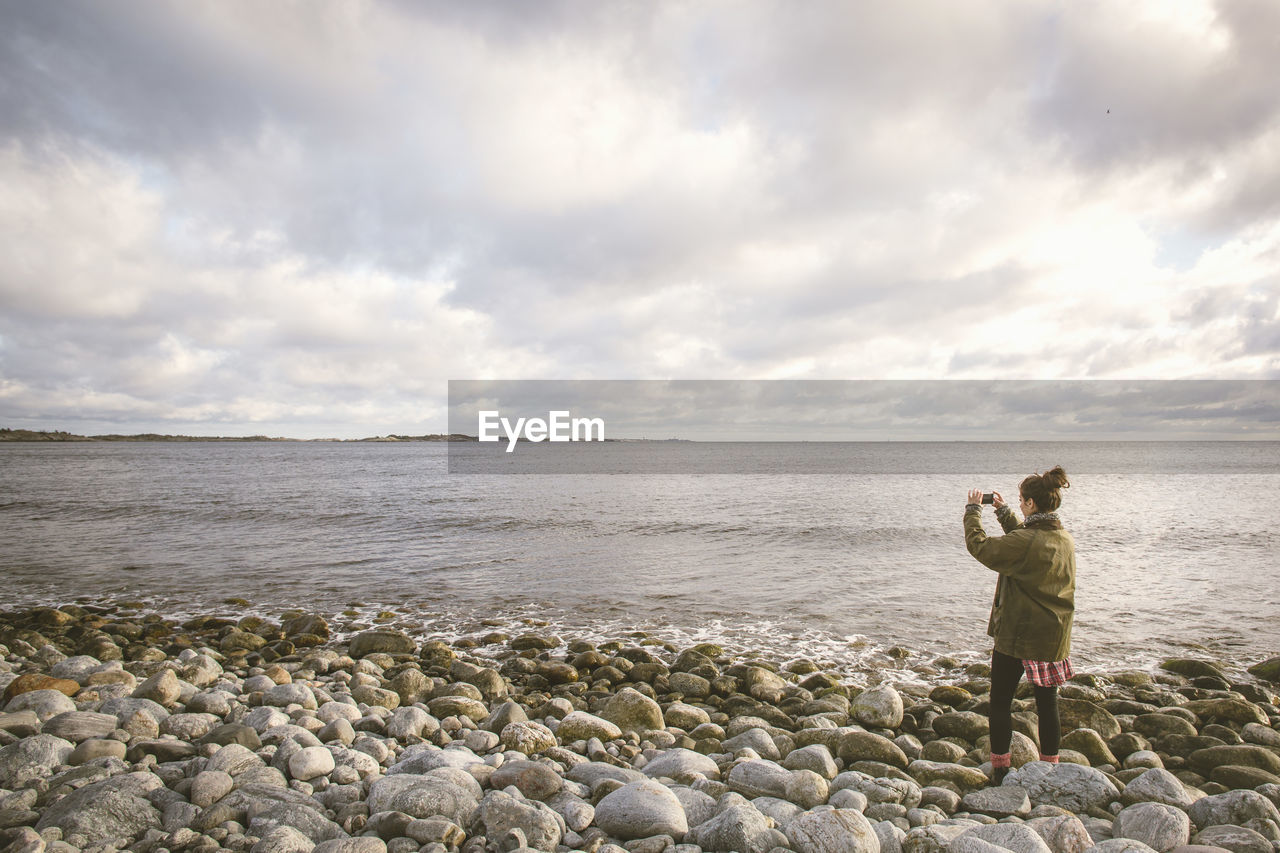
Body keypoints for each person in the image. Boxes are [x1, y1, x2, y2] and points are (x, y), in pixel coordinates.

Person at [964, 466, 1075, 784]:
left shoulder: (1026, 541)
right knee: (1047, 703)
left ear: (1030, 504)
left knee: (1000, 701)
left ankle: (1000, 769)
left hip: (1019, 635)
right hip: (1053, 635)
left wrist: (974, 511)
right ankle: (1050, 768)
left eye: (1020, 501)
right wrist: (1004, 513)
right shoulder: (1063, 538)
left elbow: (982, 547)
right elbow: (1025, 540)